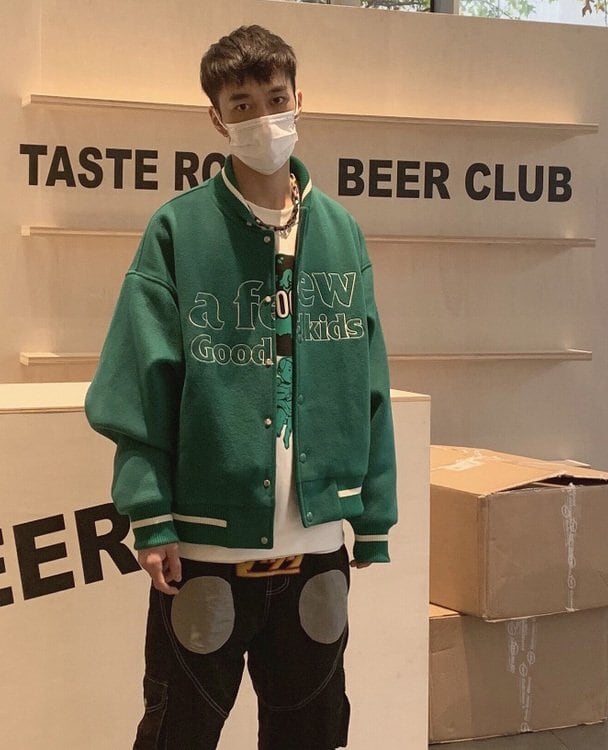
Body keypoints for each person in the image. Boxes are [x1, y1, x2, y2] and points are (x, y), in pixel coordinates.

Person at [85, 24, 397, 750]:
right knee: (179, 731)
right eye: (243, 104)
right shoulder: (177, 231)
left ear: (299, 99)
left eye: (275, 99)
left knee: (312, 732)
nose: (264, 118)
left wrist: (374, 515)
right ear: (216, 117)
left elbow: (369, 379)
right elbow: (139, 387)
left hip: (317, 551)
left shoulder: (342, 232)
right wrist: (151, 516)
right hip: (205, 553)